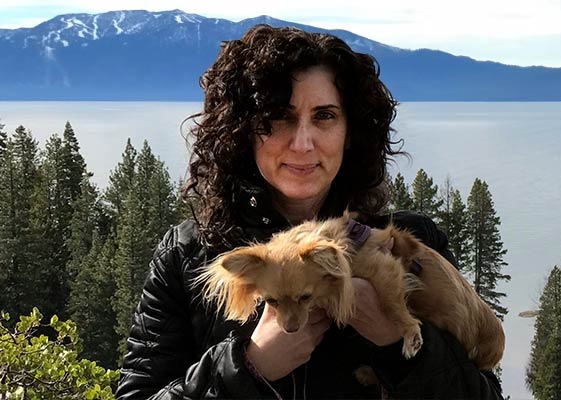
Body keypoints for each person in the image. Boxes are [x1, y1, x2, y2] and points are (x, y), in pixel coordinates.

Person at [115, 24, 503, 399]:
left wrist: (394, 342)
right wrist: (248, 367)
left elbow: (484, 389)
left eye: (324, 116)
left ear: (350, 132)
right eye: (280, 117)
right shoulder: (189, 255)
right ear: (244, 131)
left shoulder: (409, 248)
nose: (302, 143)